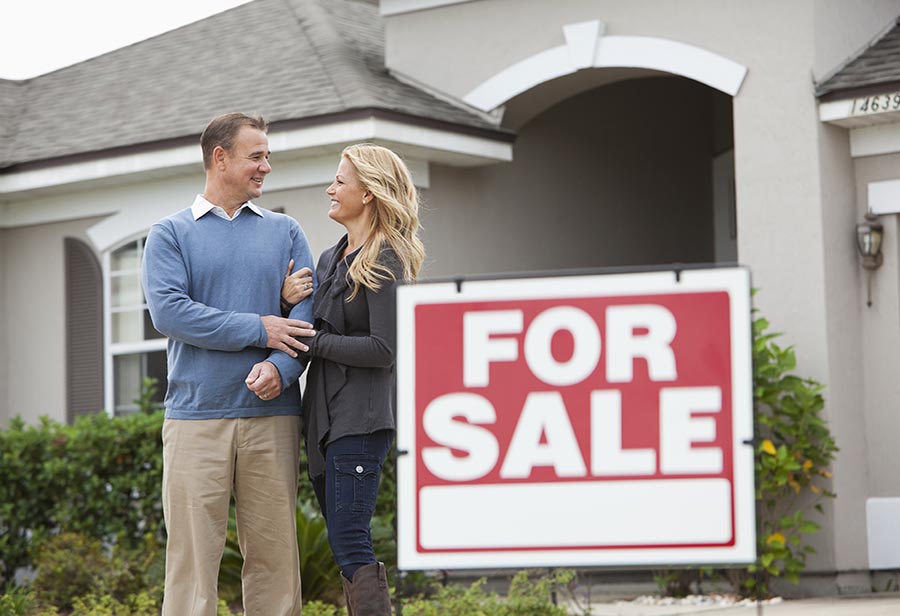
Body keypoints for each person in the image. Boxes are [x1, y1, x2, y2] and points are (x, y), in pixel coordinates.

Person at [141, 112, 316, 616]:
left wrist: (281, 371)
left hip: (274, 417)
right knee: (193, 563)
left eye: (268, 157)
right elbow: (172, 313)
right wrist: (259, 327)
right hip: (196, 418)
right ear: (220, 158)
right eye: (256, 156)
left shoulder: (285, 231)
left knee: (276, 561)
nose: (266, 167)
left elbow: (304, 313)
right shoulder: (171, 234)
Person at [292, 144, 425, 615]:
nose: (331, 188)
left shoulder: (386, 258)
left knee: (351, 541)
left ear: (368, 192)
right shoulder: (331, 258)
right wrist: (289, 298)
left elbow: (384, 350)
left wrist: (313, 344)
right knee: (344, 545)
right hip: (323, 423)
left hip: (361, 423)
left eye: (340, 181)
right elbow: (312, 326)